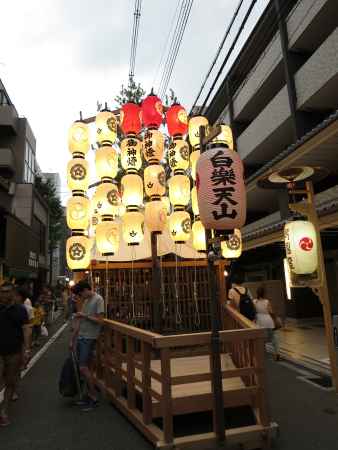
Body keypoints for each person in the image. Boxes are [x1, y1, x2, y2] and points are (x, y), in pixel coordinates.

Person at [69, 281, 105, 411]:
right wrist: (72, 339)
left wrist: (84, 315)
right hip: (82, 337)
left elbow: (101, 321)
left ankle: (93, 397)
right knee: (86, 367)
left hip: (90, 338)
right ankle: (89, 395)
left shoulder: (98, 299)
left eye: (80, 293)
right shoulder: (85, 301)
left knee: (83, 367)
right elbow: (79, 321)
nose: (80, 296)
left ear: (85, 290)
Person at [0, 284, 30, 426]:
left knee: (10, 381)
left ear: (13, 293)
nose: (4, 294)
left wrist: (26, 351)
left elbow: (26, 330)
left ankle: (4, 411)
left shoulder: (20, 310)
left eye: (7, 292)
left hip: (14, 350)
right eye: (2, 292)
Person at [254, 285, 280, 361]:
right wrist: (275, 318)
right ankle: (276, 353)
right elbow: (271, 312)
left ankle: (263, 355)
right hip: (268, 321)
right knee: (273, 337)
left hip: (259, 321)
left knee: (261, 339)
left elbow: (254, 311)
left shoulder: (254, 301)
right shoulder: (267, 301)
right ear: (264, 293)